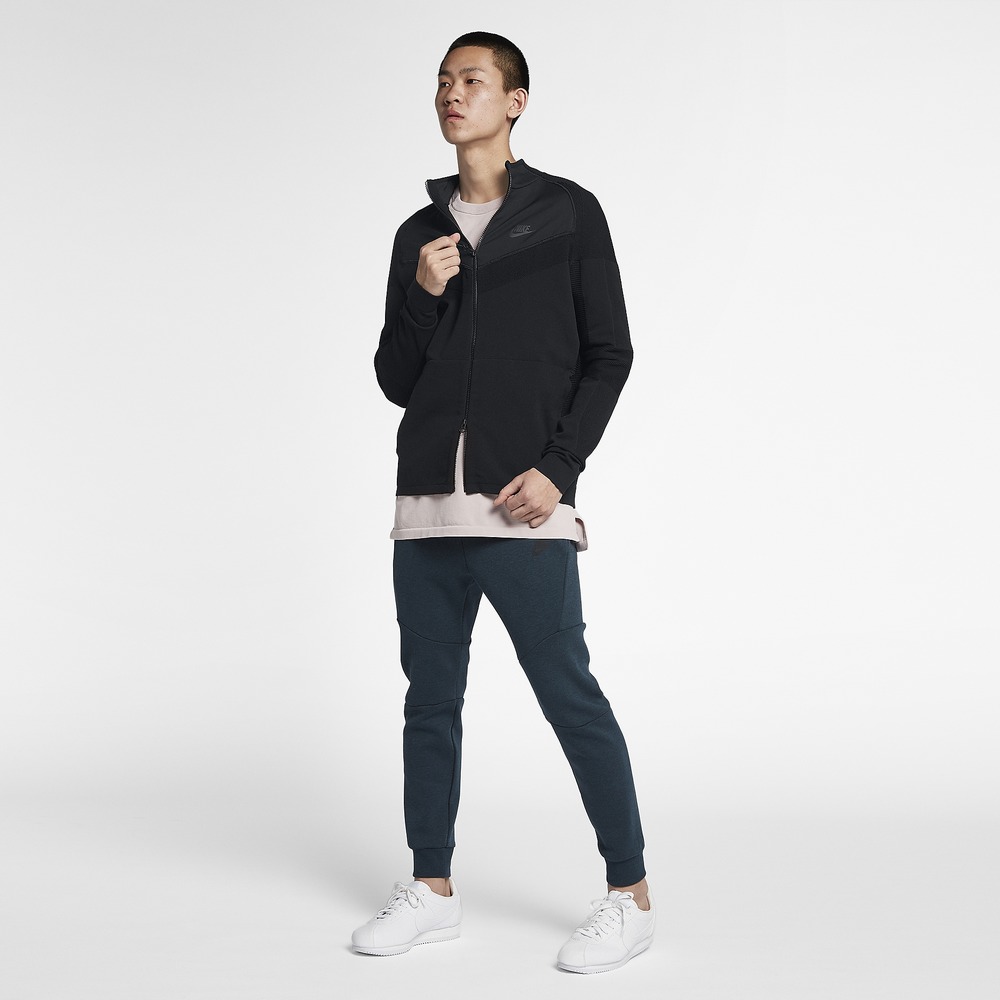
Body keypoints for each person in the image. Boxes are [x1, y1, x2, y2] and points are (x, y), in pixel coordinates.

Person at [351, 31, 653, 974]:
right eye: (443, 81)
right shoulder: (418, 235)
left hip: (523, 505)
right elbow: (396, 379)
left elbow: (610, 353)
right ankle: (431, 888)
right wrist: (422, 294)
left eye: (473, 80)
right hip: (425, 510)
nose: (453, 93)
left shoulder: (567, 213)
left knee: (569, 694)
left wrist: (561, 467)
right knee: (429, 703)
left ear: (515, 102)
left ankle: (630, 895)